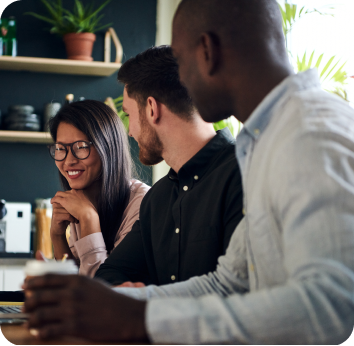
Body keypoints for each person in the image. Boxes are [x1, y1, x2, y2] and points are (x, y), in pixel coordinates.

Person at [23, 0, 354, 344]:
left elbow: (337, 308)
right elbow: (227, 282)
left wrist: (142, 318)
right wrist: (104, 302)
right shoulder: (263, 144)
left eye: (180, 61)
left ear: (206, 51)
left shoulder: (309, 133)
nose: (180, 83)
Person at [94, 45, 243, 287]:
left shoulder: (244, 174)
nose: (129, 132)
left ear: (152, 109)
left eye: (128, 115)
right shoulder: (157, 200)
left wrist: (146, 299)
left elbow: (237, 291)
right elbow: (108, 275)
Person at [47, 100, 150, 277]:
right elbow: (72, 286)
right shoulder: (81, 201)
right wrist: (57, 236)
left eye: (81, 147)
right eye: (60, 148)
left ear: (108, 148)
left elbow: (101, 293)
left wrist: (89, 219)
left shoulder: (143, 205)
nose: (68, 160)